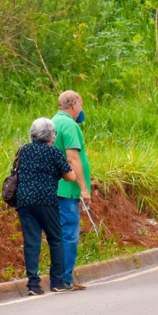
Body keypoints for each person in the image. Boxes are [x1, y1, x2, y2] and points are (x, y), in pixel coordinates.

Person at [15, 117, 76, 295]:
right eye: (54, 133)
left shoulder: (24, 150)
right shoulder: (54, 152)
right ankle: (57, 281)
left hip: (24, 200)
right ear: (50, 135)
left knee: (31, 242)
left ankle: (33, 285)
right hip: (46, 201)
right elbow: (70, 177)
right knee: (56, 239)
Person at [52, 90, 91, 291]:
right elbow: (72, 158)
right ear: (74, 104)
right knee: (69, 234)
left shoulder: (53, 122)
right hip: (67, 189)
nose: (81, 109)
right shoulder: (69, 125)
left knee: (58, 234)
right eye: (81, 104)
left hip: (53, 188)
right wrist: (83, 188)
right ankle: (64, 278)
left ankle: (58, 278)